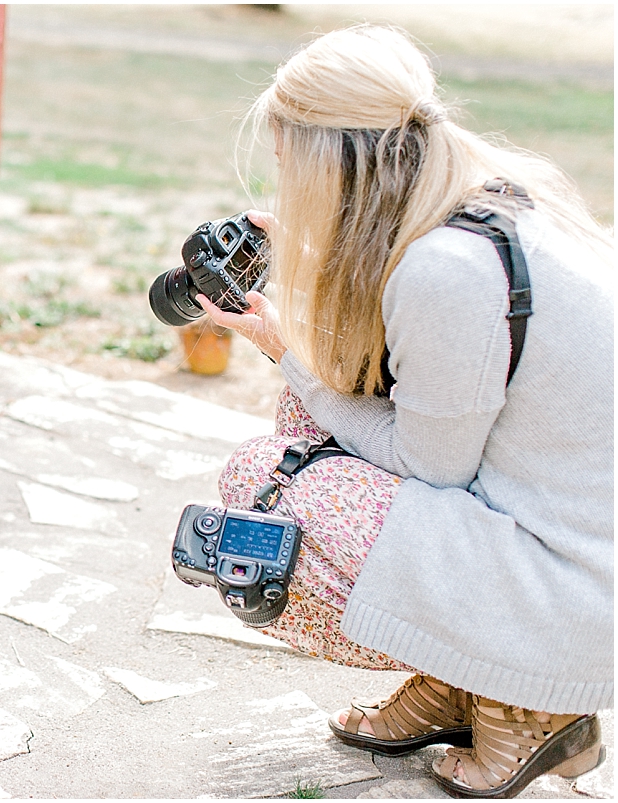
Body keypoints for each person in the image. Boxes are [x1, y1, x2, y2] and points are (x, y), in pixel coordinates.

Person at [198, 25, 613, 798]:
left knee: (266, 480)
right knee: (302, 419)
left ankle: (530, 701)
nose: (285, 187)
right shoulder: (493, 197)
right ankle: (462, 676)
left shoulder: (447, 269)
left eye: (288, 165)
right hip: (576, 552)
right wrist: (312, 288)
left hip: (571, 593)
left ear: (331, 161)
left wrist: (292, 353)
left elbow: (431, 466)